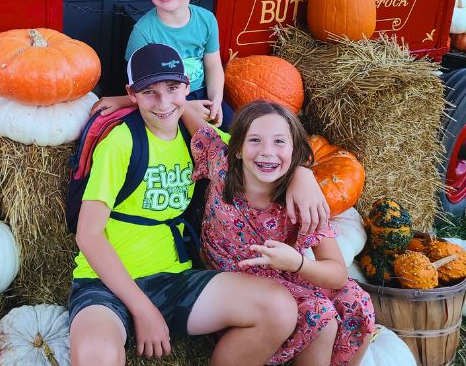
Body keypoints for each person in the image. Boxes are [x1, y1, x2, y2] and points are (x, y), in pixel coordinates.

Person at [69, 43, 329, 366]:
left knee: (280, 308)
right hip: (105, 283)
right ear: (131, 94)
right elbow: (89, 235)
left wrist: (303, 174)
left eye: (172, 88)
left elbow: (255, 157)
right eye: (149, 92)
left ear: (187, 88)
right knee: (96, 355)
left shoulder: (196, 138)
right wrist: (143, 309)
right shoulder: (121, 142)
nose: (164, 102)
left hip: (174, 279)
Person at [191, 101, 375, 366]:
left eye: (279, 142)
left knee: (355, 301)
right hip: (228, 277)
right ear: (238, 148)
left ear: (294, 151)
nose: (267, 152)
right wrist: (126, 98)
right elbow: (179, 108)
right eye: (255, 140)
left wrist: (297, 263)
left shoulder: (302, 202)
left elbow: (337, 274)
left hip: (285, 271)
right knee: (320, 315)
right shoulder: (221, 163)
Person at [91, 0, 234, 131]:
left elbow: (213, 64)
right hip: (163, 101)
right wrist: (186, 107)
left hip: (201, 93)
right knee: (189, 140)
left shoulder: (206, 20)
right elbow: (143, 89)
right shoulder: (143, 32)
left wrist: (216, 99)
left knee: (235, 129)